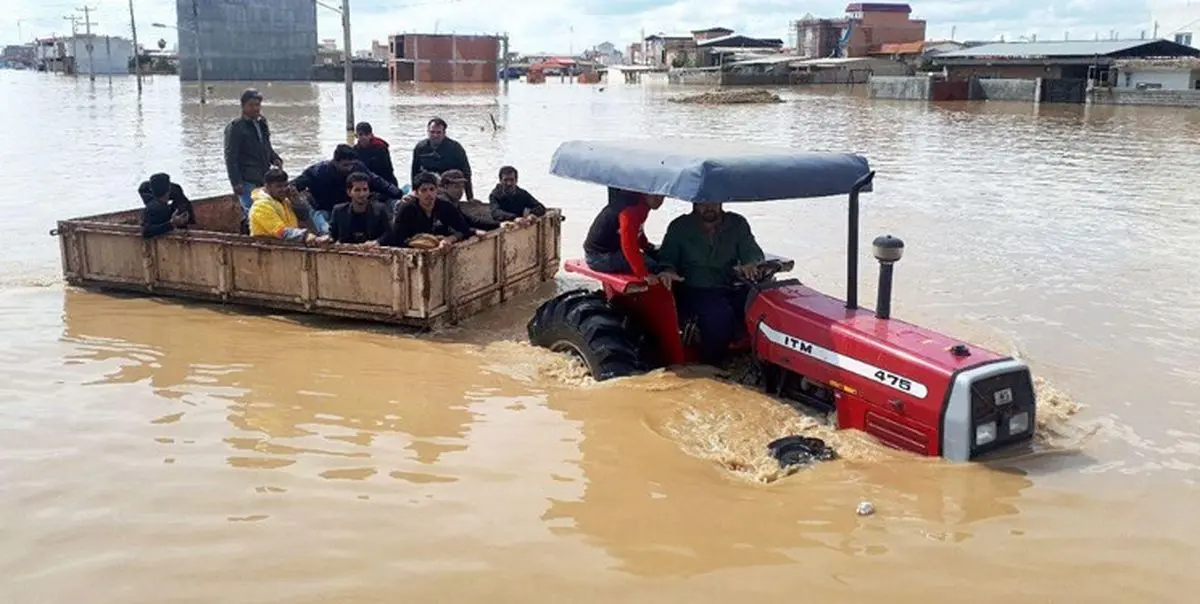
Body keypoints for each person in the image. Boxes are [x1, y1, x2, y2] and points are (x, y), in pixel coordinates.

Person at [657, 202, 765, 365]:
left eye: (713, 201)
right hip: (695, 287)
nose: (709, 207)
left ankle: (761, 359)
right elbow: (666, 259)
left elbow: (752, 253)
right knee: (718, 317)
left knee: (763, 308)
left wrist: (751, 263)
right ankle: (711, 365)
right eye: (703, 202)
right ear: (694, 203)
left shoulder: (737, 224)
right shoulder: (679, 227)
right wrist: (667, 271)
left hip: (730, 284)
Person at [291, 144, 403, 236]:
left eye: (351, 165)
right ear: (335, 162)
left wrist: (398, 193)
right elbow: (293, 186)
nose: (349, 168)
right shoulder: (317, 172)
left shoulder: (358, 167)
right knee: (324, 228)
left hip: (349, 208)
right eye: (345, 165)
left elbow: (377, 181)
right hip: (325, 208)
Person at [583, 188, 676, 285]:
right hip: (597, 256)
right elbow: (629, 245)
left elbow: (637, 229)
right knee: (650, 264)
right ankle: (665, 281)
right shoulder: (631, 209)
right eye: (655, 195)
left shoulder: (642, 204)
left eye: (662, 196)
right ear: (644, 193)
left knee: (654, 253)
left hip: (612, 249)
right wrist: (643, 274)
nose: (659, 201)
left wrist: (646, 246)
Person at [224, 88, 282, 226]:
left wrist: (275, 158)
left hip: (263, 177)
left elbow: (266, 146)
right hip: (246, 180)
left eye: (258, 105)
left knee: (264, 212)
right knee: (253, 214)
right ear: (243, 106)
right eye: (252, 105)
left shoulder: (261, 124)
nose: (256, 108)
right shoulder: (236, 127)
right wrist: (235, 182)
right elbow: (230, 156)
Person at [373, 172, 472, 250]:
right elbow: (396, 237)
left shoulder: (444, 206)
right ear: (416, 193)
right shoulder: (407, 209)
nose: (429, 194)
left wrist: (449, 239)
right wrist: (414, 242)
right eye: (424, 190)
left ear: (437, 190)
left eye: (432, 189)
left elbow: (464, 229)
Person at [248, 167, 331, 245]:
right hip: (267, 246)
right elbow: (280, 231)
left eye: (286, 185)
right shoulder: (260, 206)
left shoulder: (285, 201)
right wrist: (306, 236)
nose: (284, 189)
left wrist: (296, 200)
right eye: (279, 186)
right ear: (267, 187)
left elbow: (305, 218)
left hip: (288, 244)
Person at [411, 117, 474, 200]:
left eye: (438, 132)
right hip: (428, 184)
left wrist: (470, 198)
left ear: (444, 133)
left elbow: (467, 173)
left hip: (450, 186)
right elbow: (414, 171)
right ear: (428, 132)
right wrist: (414, 191)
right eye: (432, 132)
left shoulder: (455, 148)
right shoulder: (420, 147)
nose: (435, 135)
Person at [329, 172, 391, 244]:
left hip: (372, 252)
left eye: (365, 189)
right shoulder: (338, 211)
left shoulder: (380, 209)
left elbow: (389, 234)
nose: (362, 194)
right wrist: (327, 239)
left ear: (369, 191)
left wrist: (377, 242)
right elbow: (332, 235)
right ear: (349, 192)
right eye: (357, 190)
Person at [138, 172, 194, 238]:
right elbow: (146, 232)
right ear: (169, 190)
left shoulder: (151, 205)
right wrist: (172, 223)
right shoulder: (156, 208)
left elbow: (143, 188)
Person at [353, 121, 398, 186]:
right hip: (365, 182)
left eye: (366, 134)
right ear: (356, 136)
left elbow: (388, 170)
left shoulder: (380, 148)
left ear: (371, 135)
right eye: (360, 134)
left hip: (385, 181)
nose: (363, 137)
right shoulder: (355, 150)